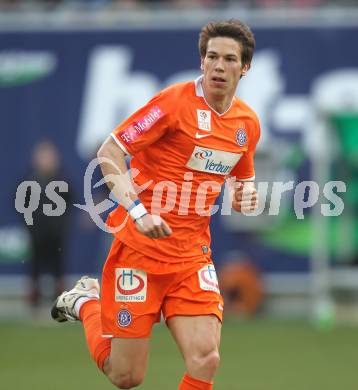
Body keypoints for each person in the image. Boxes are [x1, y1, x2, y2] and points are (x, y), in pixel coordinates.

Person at [51, 19, 260, 389]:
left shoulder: (247, 124)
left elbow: (242, 183)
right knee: (126, 376)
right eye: (211, 57)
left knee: (206, 357)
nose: (218, 66)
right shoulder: (172, 104)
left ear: (244, 68)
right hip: (139, 252)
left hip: (191, 258)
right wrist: (138, 211)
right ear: (201, 62)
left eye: (229, 59)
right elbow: (109, 151)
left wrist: (246, 196)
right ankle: (85, 302)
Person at [24, 140, 72, 308]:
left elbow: (70, 202)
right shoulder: (29, 182)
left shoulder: (62, 181)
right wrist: (29, 223)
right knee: (35, 267)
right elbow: (20, 204)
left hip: (56, 233)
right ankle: (34, 305)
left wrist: (61, 223)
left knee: (58, 267)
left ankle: (60, 305)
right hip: (37, 233)